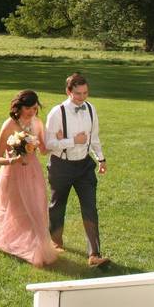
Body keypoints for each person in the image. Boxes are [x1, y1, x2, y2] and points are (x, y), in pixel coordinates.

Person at [0, 89, 58, 267]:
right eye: (28, 108)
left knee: (37, 208)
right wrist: (14, 159)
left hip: (33, 173)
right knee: (16, 210)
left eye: (35, 108)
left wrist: (59, 139)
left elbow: (45, 150)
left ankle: (37, 247)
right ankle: (14, 242)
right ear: (19, 107)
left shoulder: (37, 123)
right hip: (13, 174)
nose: (32, 112)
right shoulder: (9, 125)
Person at [44, 73, 110, 268]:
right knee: (57, 206)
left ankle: (94, 255)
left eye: (85, 93)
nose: (82, 97)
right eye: (78, 94)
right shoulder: (57, 113)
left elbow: (94, 137)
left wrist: (100, 158)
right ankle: (55, 243)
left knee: (90, 208)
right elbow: (48, 144)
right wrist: (72, 141)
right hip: (61, 166)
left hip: (84, 166)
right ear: (68, 91)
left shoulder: (90, 109)